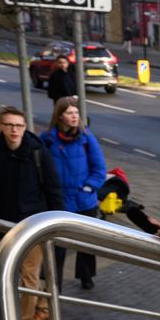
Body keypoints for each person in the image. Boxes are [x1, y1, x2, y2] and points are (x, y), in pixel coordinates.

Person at [0, 106, 64, 320]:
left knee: (28, 274)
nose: (14, 130)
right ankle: (44, 309)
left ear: (25, 127)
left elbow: (53, 188)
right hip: (6, 223)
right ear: (0, 126)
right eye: (9, 125)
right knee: (19, 272)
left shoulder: (38, 152)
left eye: (18, 125)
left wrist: (55, 223)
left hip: (34, 223)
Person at [41, 96, 106, 291]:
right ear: (60, 116)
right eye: (70, 113)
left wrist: (88, 187)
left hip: (84, 200)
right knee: (58, 247)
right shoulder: (47, 139)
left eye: (76, 113)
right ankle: (54, 286)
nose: (74, 116)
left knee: (86, 244)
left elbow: (99, 168)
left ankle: (86, 276)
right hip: (60, 202)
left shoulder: (87, 138)